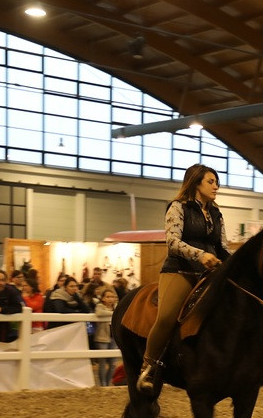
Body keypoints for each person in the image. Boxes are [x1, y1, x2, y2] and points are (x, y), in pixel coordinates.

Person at [138, 164, 229, 392]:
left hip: (209, 273)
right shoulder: (178, 208)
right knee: (167, 316)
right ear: (196, 182)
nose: (216, 186)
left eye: (216, 182)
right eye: (211, 181)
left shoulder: (217, 214)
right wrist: (201, 255)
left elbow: (223, 248)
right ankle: (148, 366)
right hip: (180, 271)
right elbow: (173, 242)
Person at [93, 288, 120, 386]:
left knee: (113, 363)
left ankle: (108, 384)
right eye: (108, 296)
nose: (110, 299)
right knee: (102, 363)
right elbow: (99, 313)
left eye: (112, 297)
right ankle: (103, 384)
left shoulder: (117, 307)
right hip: (102, 338)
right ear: (103, 298)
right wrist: (115, 314)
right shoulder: (100, 306)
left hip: (114, 338)